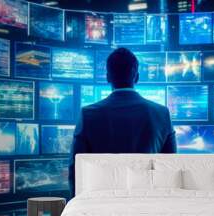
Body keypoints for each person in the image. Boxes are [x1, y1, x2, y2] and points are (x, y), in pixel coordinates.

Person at [68, 47, 177, 196]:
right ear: (136, 77)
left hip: (101, 206)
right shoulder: (162, 113)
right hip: (149, 205)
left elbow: (75, 170)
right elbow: (170, 169)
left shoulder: (88, 114)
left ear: (107, 77)